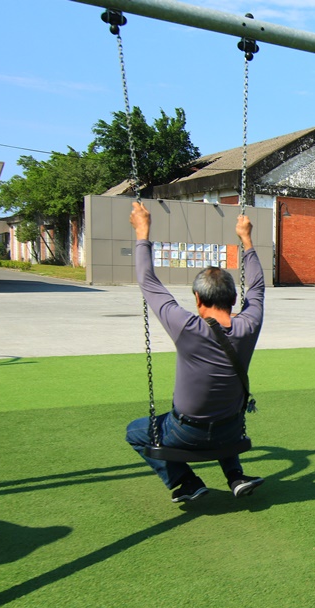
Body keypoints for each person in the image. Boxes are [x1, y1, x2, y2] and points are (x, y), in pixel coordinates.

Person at [125, 202, 265, 502]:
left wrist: (142, 231)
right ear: (233, 297)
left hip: (186, 434)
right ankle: (235, 476)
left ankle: (186, 482)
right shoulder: (250, 324)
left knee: (136, 431)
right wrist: (246, 240)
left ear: (198, 298)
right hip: (231, 433)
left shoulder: (188, 327)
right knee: (224, 411)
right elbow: (258, 287)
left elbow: (148, 283)